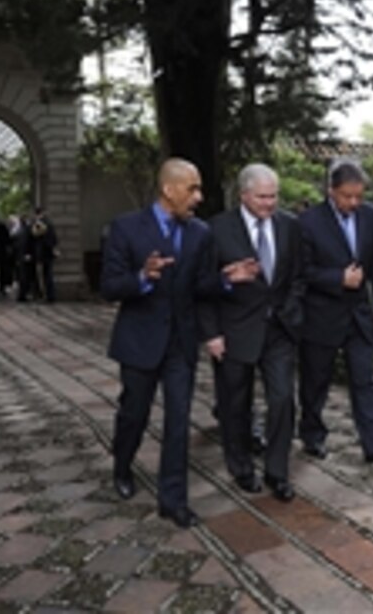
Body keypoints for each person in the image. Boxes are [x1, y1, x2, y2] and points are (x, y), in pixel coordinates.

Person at [100, 157, 217, 529]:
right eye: (192, 188)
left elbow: (199, 286)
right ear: (169, 190)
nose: (199, 196)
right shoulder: (126, 228)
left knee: (178, 421)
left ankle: (173, 501)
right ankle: (122, 466)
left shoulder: (200, 233)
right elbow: (109, 286)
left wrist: (228, 280)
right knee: (134, 414)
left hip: (181, 344)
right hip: (140, 341)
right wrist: (142, 276)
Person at [199, 163, 304, 502]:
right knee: (235, 404)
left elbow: (298, 276)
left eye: (274, 196)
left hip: (279, 331)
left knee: (283, 399)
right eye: (262, 197)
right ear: (244, 195)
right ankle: (241, 466)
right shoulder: (216, 229)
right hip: (234, 331)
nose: (269, 203)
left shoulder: (290, 226)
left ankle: (277, 471)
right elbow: (201, 288)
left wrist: (290, 310)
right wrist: (212, 334)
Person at [297, 159, 373, 464]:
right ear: (331, 192)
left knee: (365, 379)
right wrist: (337, 278)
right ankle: (312, 435)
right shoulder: (308, 222)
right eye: (347, 196)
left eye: (359, 196)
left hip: (358, 313)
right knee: (315, 380)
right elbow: (302, 272)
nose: (354, 202)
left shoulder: (370, 217)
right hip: (321, 316)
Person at [30, 206, 58, 302]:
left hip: (43, 252)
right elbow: (54, 239)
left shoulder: (40, 224)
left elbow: (35, 236)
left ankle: (48, 296)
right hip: (48, 252)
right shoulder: (49, 223)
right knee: (48, 275)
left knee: (45, 276)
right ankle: (50, 295)